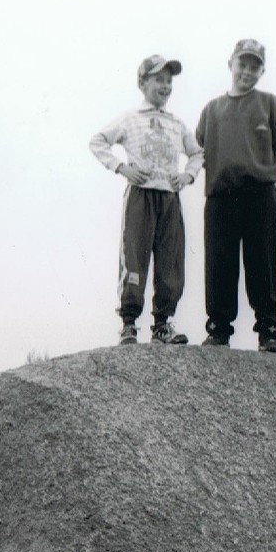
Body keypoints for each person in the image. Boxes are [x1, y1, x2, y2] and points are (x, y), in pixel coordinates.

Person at [89, 55, 204, 345]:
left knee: (170, 259)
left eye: (169, 81)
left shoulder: (176, 123)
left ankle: (162, 323)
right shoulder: (130, 118)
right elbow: (98, 141)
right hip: (140, 196)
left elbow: (198, 153)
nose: (165, 86)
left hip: (169, 196)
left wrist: (188, 176)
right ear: (142, 83)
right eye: (158, 80)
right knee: (135, 255)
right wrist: (121, 167)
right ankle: (129, 322)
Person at [195, 39, 276, 352]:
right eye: (243, 64)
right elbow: (200, 142)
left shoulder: (268, 104)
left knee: (263, 262)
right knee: (219, 262)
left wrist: (265, 165)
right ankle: (219, 329)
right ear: (231, 64)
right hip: (221, 195)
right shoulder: (212, 109)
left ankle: (268, 331)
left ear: (262, 71)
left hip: (259, 193)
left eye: (255, 66)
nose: (248, 71)